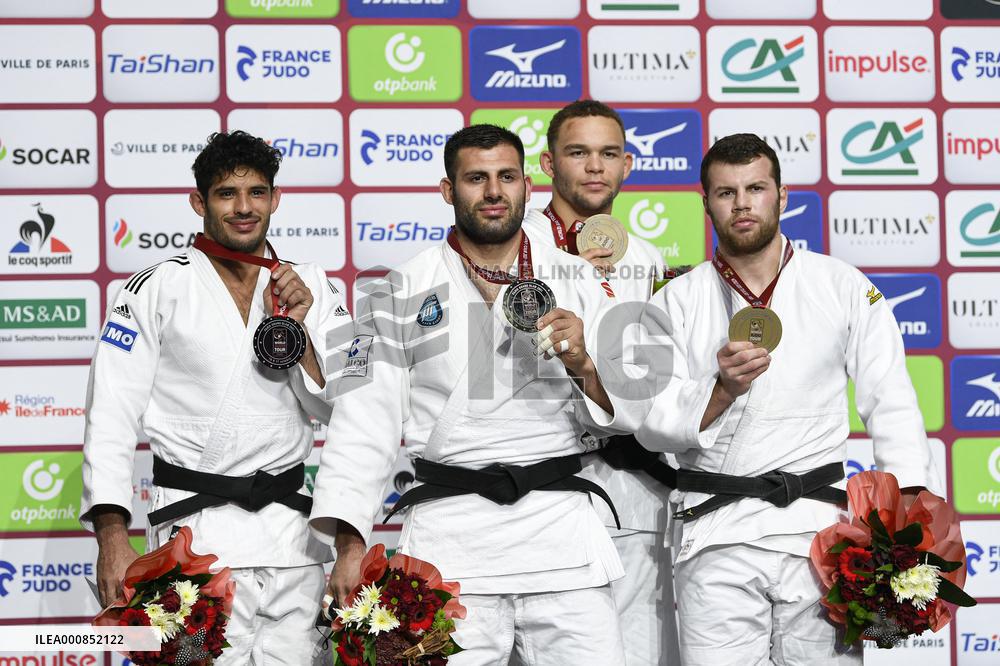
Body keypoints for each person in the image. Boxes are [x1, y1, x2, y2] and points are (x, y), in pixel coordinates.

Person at [309, 124, 631, 665]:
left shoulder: (578, 279)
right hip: (450, 543)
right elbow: (364, 422)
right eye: (476, 179)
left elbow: (625, 413)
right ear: (447, 190)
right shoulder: (399, 289)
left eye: (507, 177)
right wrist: (349, 543)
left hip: (560, 536)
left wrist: (584, 364)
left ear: (527, 185)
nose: (494, 191)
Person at [630, 133, 940, 665]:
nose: (742, 203)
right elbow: (651, 425)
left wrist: (909, 510)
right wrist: (720, 391)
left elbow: (891, 399)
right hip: (716, 533)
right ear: (706, 204)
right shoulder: (676, 301)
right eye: (726, 192)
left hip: (821, 537)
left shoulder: (843, 285)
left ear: (782, 195)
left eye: (755, 188)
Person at [80, 130, 349, 665]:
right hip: (193, 539)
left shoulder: (313, 285)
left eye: (257, 192)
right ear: (198, 202)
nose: (244, 207)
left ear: (276, 199)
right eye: (227, 193)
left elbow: (343, 410)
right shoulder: (153, 288)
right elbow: (109, 414)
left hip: (292, 542)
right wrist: (111, 537)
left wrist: (299, 331)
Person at [520, 99, 679, 666]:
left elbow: (655, 376)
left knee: (640, 653)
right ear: (548, 163)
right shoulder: (516, 246)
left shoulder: (646, 256)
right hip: (547, 486)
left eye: (608, 154)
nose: (594, 166)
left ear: (627, 165)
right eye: (578, 152)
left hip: (638, 493)